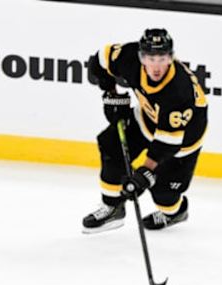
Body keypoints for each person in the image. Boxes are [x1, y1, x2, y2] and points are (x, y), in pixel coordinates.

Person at [82, 28, 208, 234]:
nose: (156, 65)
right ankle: (113, 207)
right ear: (141, 57)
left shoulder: (179, 90)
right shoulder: (129, 58)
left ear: (171, 58)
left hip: (183, 140)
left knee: (164, 194)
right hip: (147, 120)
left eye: (162, 58)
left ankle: (175, 212)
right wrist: (111, 94)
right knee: (111, 144)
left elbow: (166, 144)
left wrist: (144, 173)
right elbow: (99, 61)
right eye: (150, 58)